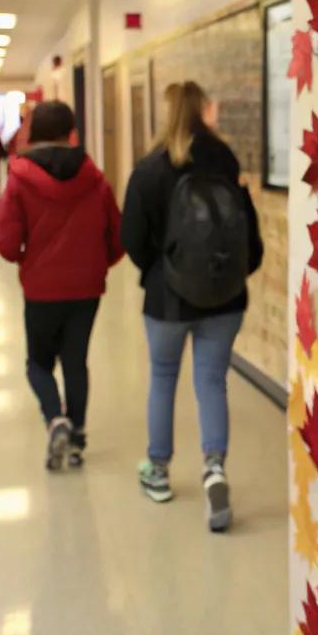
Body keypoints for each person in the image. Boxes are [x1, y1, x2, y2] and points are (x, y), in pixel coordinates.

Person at [121, 80, 263, 529]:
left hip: (167, 300)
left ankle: (158, 471)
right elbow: (248, 235)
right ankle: (214, 468)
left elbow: (132, 240)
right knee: (211, 382)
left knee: (163, 379)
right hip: (225, 297)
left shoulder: (148, 170)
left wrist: (162, 271)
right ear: (204, 111)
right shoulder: (226, 161)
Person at [0, 100, 123, 471]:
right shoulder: (95, 179)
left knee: (38, 364)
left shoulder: (19, 181)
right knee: (75, 362)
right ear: (73, 134)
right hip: (86, 289)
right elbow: (118, 237)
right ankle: (78, 437)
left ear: (32, 133)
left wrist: (29, 261)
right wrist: (97, 264)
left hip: (40, 289)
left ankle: (56, 420)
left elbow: (6, 243)